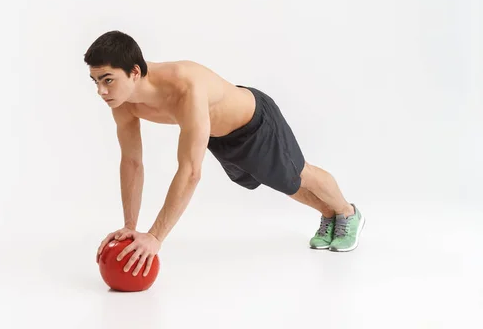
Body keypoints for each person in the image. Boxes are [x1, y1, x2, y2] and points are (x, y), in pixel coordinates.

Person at [88, 30, 365, 277]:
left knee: (298, 173)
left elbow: (191, 171)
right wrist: (130, 225)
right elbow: (132, 162)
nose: (101, 90)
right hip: (218, 137)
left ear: (134, 71)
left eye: (108, 80)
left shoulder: (186, 86)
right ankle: (330, 216)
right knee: (282, 182)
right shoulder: (122, 103)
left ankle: (347, 213)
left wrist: (155, 237)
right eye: (96, 81)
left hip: (255, 123)